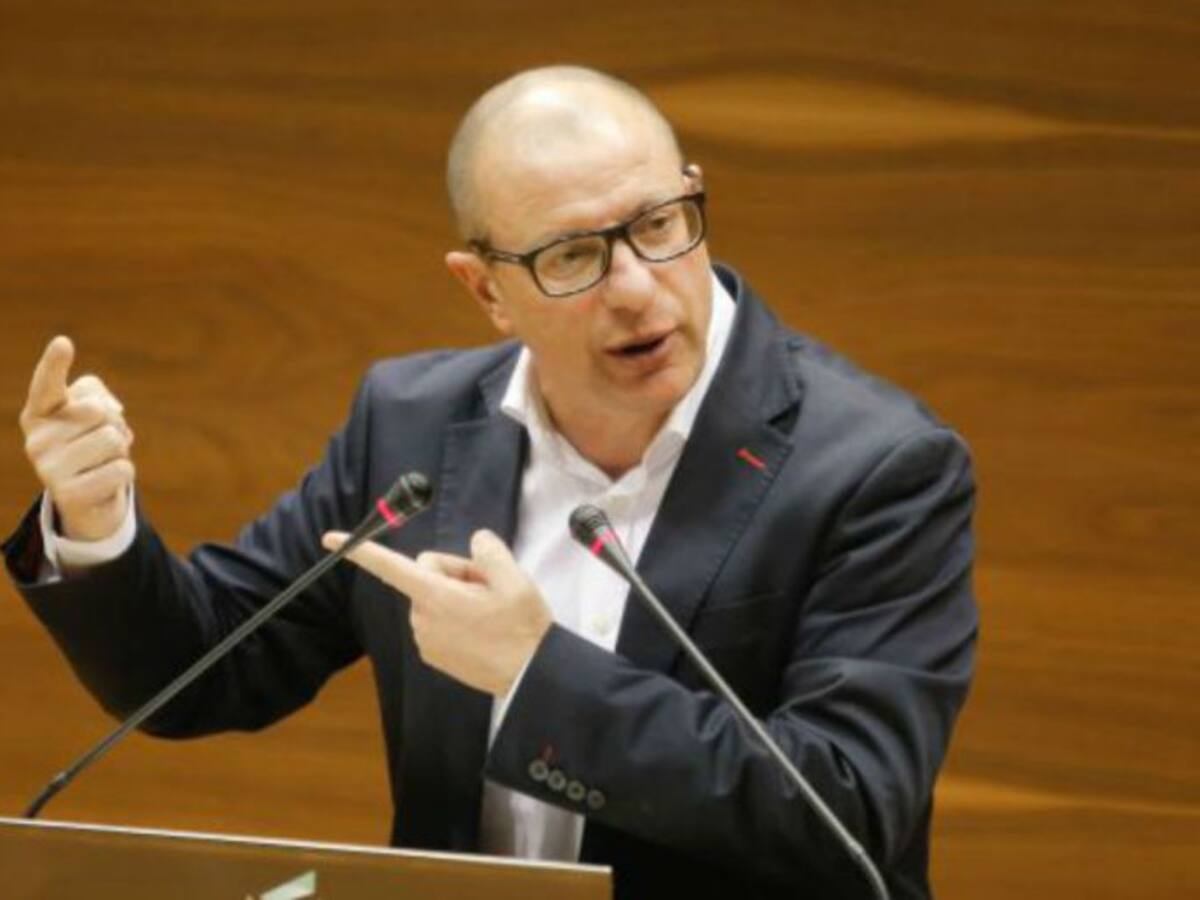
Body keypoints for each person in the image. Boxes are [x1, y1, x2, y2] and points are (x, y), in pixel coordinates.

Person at [5, 66, 977, 899]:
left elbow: (848, 810)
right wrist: (95, 518)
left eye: (658, 225)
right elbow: (197, 671)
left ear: (692, 197)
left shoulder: (876, 467)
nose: (637, 286)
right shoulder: (412, 426)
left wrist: (534, 673)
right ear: (485, 289)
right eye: (573, 255)